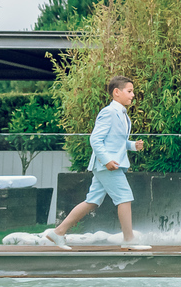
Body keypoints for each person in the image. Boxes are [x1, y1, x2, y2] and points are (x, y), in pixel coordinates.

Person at [43, 76, 150, 251]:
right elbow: (96, 139)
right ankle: (129, 240)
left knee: (92, 201)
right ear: (117, 92)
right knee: (125, 197)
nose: (133, 95)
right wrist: (107, 161)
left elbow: (115, 141)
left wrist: (133, 145)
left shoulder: (123, 115)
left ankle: (58, 232)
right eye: (129, 91)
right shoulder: (108, 112)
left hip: (110, 164)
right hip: (108, 165)